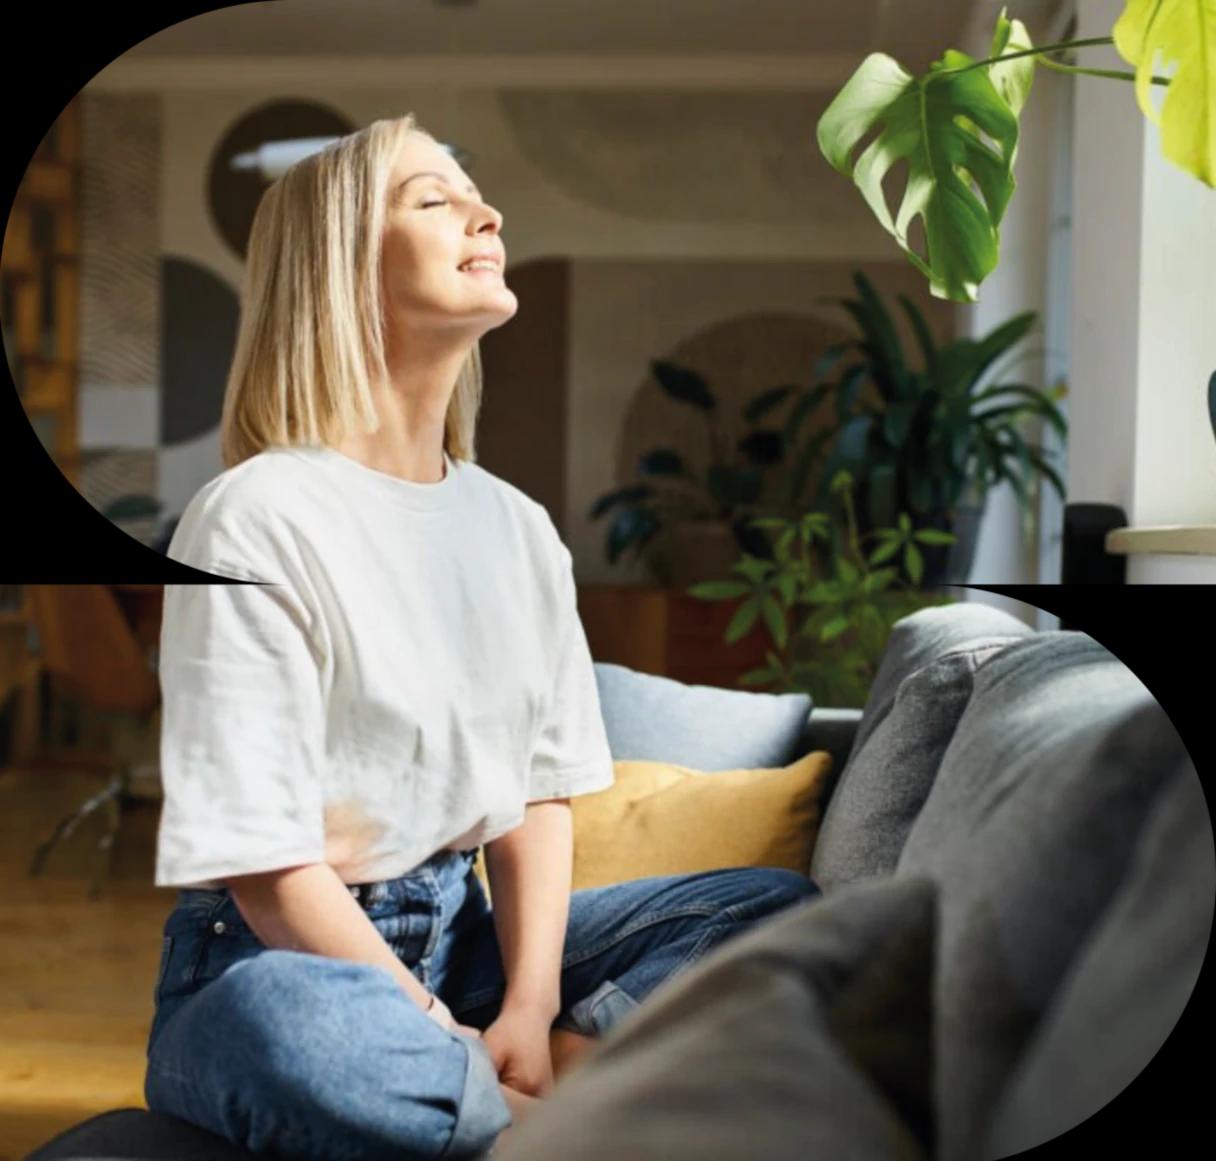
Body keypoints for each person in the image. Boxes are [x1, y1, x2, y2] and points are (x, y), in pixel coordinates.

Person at [143, 112, 821, 1160]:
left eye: (475, 192)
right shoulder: (253, 518)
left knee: (775, 907)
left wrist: (529, 1010)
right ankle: (574, 1123)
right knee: (287, 1028)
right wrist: (424, 1025)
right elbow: (266, 866)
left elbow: (536, 797)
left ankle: (531, 1096)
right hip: (280, 955)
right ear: (341, 269)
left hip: (469, 940)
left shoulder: (514, 526)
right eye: (434, 199)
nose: (488, 214)